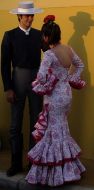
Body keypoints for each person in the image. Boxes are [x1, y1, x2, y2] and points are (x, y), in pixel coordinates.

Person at [25, 15, 86, 186]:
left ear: (46, 37)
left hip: (54, 97)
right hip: (66, 93)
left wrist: (47, 81)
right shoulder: (68, 49)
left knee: (53, 131)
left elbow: (41, 77)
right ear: (58, 35)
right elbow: (80, 65)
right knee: (61, 129)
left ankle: (57, 174)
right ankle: (68, 170)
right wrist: (70, 77)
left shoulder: (49, 55)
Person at [1, 1, 43, 177]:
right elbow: (4, 64)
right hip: (17, 80)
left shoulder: (39, 35)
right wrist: (8, 88)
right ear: (19, 16)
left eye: (32, 15)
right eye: (26, 16)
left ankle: (33, 162)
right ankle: (16, 162)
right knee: (15, 124)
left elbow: (49, 55)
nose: (30, 18)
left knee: (36, 123)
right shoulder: (9, 35)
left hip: (36, 81)